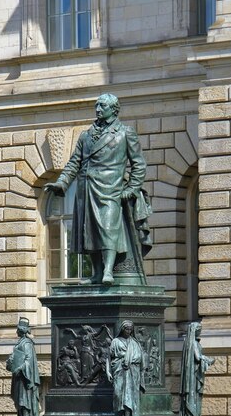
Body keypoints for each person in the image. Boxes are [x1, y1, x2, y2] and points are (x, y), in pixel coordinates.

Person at [44, 93, 151, 286]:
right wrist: (61, 183)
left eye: (102, 106)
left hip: (110, 188)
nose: (98, 109)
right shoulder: (85, 135)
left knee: (107, 228)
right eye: (96, 106)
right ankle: (96, 273)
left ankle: (108, 271)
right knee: (88, 231)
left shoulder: (125, 132)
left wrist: (132, 188)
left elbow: (139, 164)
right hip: (86, 189)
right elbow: (74, 162)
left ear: (114, 109)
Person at [106, 320, 145, 416]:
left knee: (129, 396)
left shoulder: (134, 343)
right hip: (119, 371)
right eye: (126, 329)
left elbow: (140, 358)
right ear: (122, 329)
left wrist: (130, 361)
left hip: (132, 373)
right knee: (118, 395)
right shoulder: (115, 341)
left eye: (130, 329)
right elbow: (109, 358)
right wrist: (108, 371)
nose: (128, 331)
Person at [6, 317, 40, 416]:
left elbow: (28, 361)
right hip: (18, 377)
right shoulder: (20, 342)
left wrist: (20, 368)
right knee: (18, 398)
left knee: (23, 398)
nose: (16, 331)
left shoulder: (27, 343)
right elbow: (16, 357)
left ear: (21, 330)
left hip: (25, 377)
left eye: (17, 329)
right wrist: (10, 361)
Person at [179, 322, 215, 416]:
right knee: (194, 394)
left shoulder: (189, 342)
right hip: (193, 376)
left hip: (193, 374)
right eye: (199, 330)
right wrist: (208, 360)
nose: (200, 332)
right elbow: (198, 357)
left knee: (195, 394)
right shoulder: (193, 343)